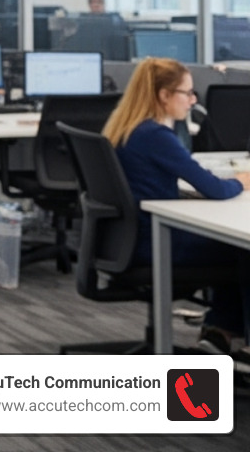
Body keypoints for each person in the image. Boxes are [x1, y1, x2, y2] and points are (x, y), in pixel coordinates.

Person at [103, 58, 250, 367]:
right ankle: (232, 336)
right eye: (187, 92)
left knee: (231, 244)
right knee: (241, 248)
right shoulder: (156, 137)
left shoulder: (126, 127)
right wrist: (242, 181)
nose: (193, 100)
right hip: (152, 243)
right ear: (163, 95)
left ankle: (219, 332)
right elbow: (217, 189)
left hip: (125, 240)